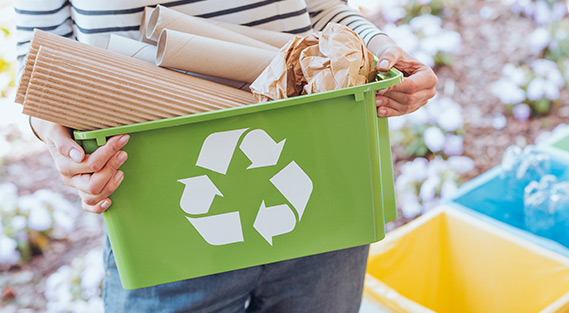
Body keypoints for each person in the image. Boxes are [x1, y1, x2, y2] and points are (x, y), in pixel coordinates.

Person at [14, 1, 437, 312]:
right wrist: (59, 142)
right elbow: (40, 61)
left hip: (318, 197)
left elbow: (323, 10)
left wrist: (384, 52)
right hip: (161, 222)